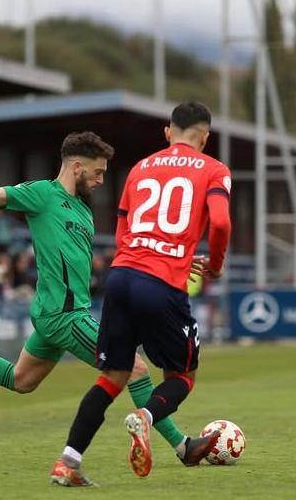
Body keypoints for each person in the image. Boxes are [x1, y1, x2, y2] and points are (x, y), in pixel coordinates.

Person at [0, 130, 215, 486]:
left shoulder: (82, 211)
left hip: (58, 314)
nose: (101, 179)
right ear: (76, 166)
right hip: (65, 315)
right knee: (134, 368)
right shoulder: (41, 194)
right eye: (97, 172)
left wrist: (175, 262)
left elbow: (115, 259)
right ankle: (182, 446)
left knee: (20, 380)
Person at [53, 102, 232, 485]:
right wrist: (214, 263)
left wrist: (134, 259)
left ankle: (68, 462)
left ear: (167, 133)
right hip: (162, 283)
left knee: (112, 376)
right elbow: (219, 221)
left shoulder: (140, 169)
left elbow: (121, 230)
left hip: (121, 276)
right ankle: (146, 418)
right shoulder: (215, 170)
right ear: (205, 137)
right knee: (182, 376)